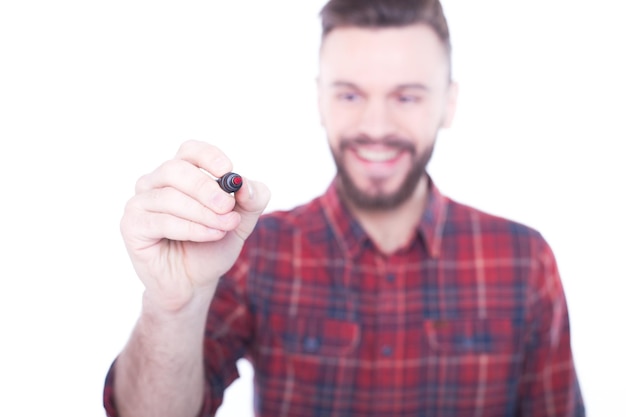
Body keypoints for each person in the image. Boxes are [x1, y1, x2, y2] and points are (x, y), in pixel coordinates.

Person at [103, 0, 585, 415]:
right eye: (350, 94)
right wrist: (173, 307)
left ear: (448, 104)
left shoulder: (524, 262)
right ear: (319, 99)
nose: (375, 124)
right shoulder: (252, 251)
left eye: (407, 96)